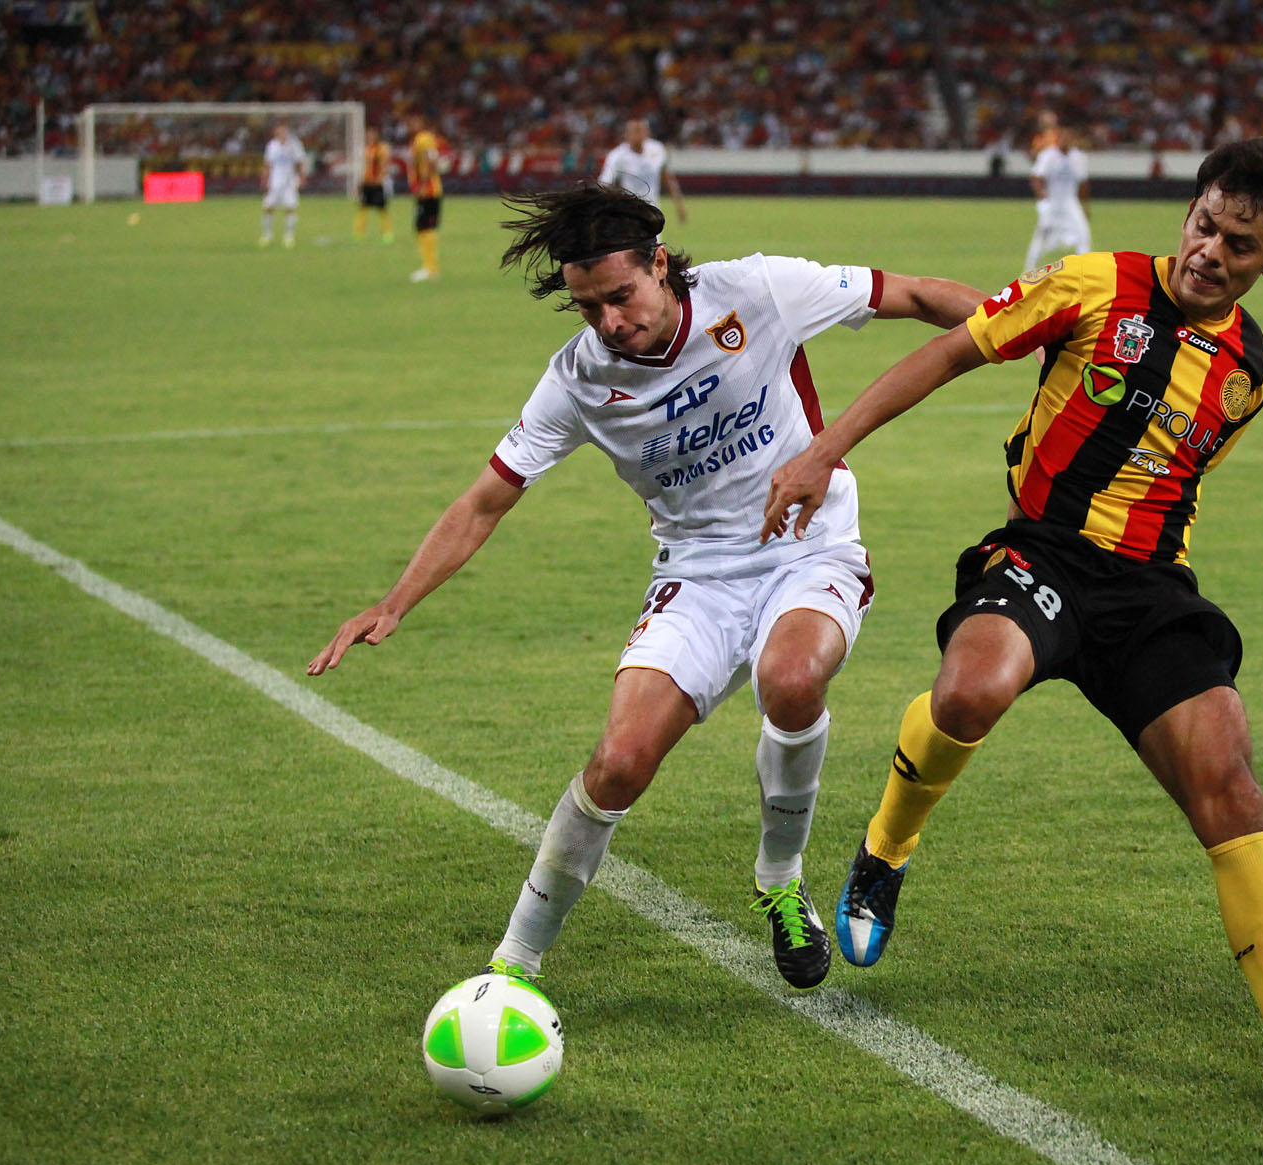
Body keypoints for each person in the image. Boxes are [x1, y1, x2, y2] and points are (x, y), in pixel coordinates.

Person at [762, 138, 1263, 1115]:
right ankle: (884, 853)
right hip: (1042, 553)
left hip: (1149, 591)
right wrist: (825, 452)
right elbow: (946, 352)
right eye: (1203, 226)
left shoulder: (1252, 371)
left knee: (1224, 777)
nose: (1208, 252)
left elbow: (1176, 476)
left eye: (1237, 244)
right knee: (970, 692)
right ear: (1188, 214)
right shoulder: (1094, 284)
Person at [309, 183, 983, 992]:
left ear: (660, 266)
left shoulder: (757, 290)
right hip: (695, 574)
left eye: (621, 296)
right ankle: (511, 967)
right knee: (619, 762)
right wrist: (394, 600)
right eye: (588, 307)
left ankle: (780, 880)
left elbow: (910, 294)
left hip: (808, 546)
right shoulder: (578, 378)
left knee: (793, 677)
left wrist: (1030, 321)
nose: (609, 322)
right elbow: (488, 497)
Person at [1025, 116, 1091, 269]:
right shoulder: (1048, 156)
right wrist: (1043, 196)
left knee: (1083, 234)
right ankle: (1030, 268)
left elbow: (1083, 184)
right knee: (1042, 235)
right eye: (1062, 137)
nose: (1065, 140)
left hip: (1070, 202)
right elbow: (1036, 177)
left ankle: (1085, 270)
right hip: (1052, 201)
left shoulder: (1078, 157)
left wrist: (1086, 207)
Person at [597, 119, 688, 224]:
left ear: (647, 133)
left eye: (641, 131)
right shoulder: (617, 156)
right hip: (628, 212)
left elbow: (667, 178)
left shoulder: (657, 150)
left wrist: (679, 205)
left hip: (652, 212)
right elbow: (604, 183)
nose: (638, 135)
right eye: (635, 131)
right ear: (626, 135)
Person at [405, 113, 444, 281]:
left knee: (424, 227)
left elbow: (432, 161)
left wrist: (422, 185)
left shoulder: (424, 139)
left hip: (428, 191)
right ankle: (430, 267)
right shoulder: (420, 140)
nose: (411, 124)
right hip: (427, 190)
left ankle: (430, 268)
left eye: (415, 120)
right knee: (424, 227)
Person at [259, 123, 305, 248]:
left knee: (290, 208)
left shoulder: (294, 145)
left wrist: (301, 178)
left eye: (284, 131)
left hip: (289, 182)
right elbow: (268, 164)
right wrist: (264, 180)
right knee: (268, 208)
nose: (282, 133)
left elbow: (300, 162)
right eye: (280, 131)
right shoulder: (272, 146)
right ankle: (267, 236)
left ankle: (288, 237)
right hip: (274, 182)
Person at [354, 128, 395, 244]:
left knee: (382, 209)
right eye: (368, 135)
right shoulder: (366, 149)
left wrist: (380, 178)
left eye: (372, 135)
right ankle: (359, 233)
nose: (370, 137)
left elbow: (385, 165)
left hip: (377, 183)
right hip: (367, 183)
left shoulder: (382, 149)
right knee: (362, 208)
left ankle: (387, 233)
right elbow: (364, 167)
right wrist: (361, 181)